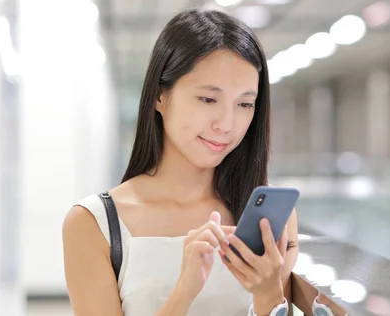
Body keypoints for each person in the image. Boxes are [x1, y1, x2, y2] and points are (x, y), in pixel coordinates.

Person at [62, 8, 299, 316]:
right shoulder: (93, 224)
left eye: (244, 104)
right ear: (161, 96)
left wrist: (268, 295)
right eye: (208, 99)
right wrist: (184, 291)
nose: (227, 124)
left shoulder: (268, 219)